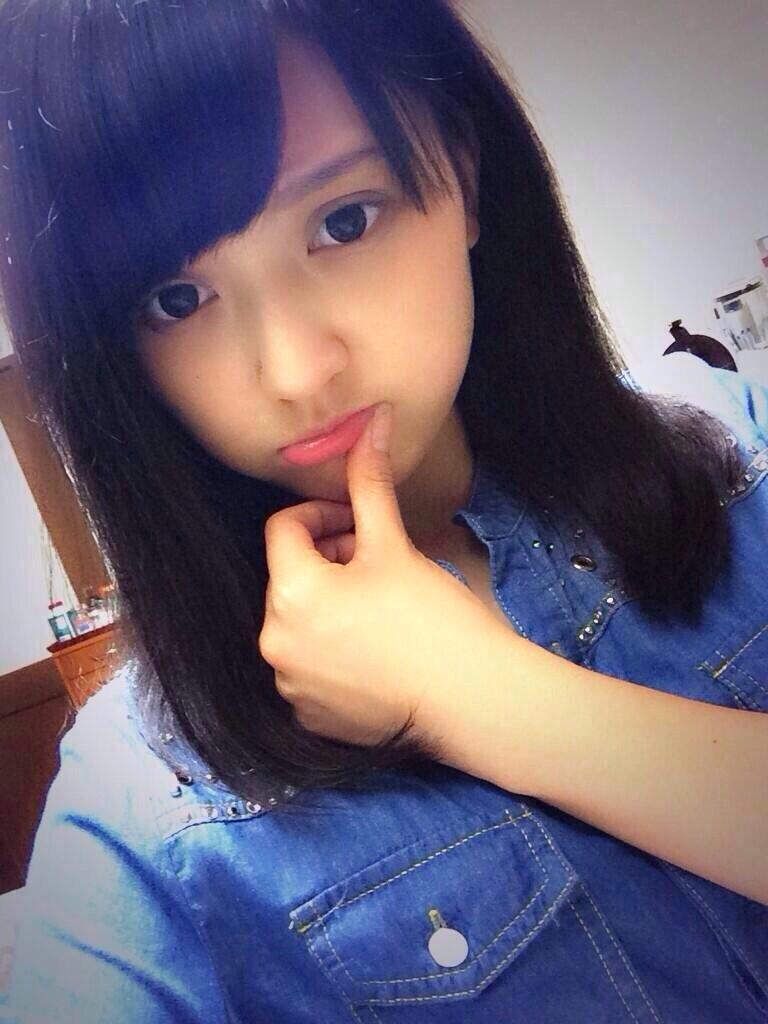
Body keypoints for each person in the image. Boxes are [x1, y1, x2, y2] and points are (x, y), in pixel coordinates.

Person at [0, 1, 766, 1021]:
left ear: (465, 173)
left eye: (344, 220)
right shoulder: (151, 811)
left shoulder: (740, 452)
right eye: (176, 300)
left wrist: (473, 694)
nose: (294, 370)